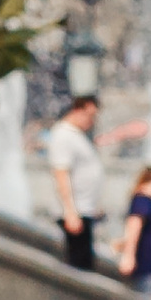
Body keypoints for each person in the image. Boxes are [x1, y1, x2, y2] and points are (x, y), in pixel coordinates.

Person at [47, 92, 104, 272]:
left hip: (83, 210)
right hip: (74, 213)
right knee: (79, 266)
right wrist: (70, 211)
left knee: (84, 263)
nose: (92, 121)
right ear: (78, 110)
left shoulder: (76, 136)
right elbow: (61, 173)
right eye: (90, 115)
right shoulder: (63, 135)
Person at [118, 163, 151, 299]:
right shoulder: (143, 200)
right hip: (150, 267)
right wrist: (128, 255)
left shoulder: (146, 202)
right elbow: (134, 226)